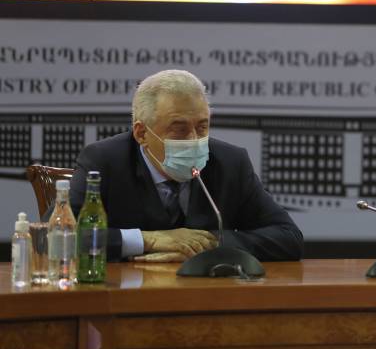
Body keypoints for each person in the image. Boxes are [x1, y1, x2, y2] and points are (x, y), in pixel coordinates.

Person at [64, 70, 303, 262]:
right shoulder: (104, 161)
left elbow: (288, 237)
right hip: (126, 294)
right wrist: (149, 240)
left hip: (205, 296)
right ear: (142, 133)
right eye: (179, 129)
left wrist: (208, 244)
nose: (193, 140)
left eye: (202, 127)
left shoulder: (230, 162)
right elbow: (59, 236)